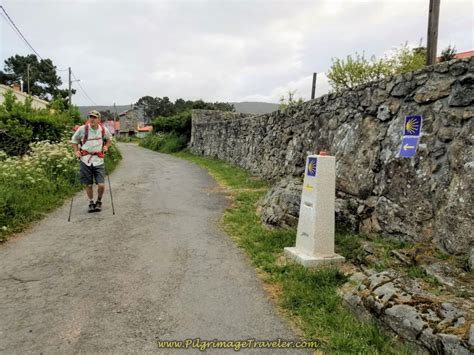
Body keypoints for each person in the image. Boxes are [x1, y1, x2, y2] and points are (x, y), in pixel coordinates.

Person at [71, 110, 112, 213]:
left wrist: (106, 146)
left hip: (99, 160)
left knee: (101, 184)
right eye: (90, 117)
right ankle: (91, 202)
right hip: (85, 160)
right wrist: (76, 152)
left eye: (94, 117)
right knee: (88, 185)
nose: (92, 119)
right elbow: (74, 140)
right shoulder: (82, 129)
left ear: (99, 119)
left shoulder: (103, 129)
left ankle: (99, 201)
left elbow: (109, 138)